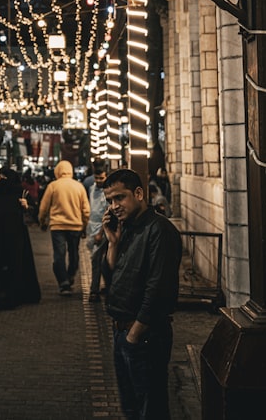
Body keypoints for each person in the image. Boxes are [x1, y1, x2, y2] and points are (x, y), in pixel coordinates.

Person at [102, 168, 182, 420]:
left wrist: (135, 334)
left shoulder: (159, 230)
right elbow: (113, 276)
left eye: (119, 198)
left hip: (145, 336)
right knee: (132, 408)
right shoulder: (126, 228)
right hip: (122, 332)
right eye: (109, 201)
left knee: (151, 409)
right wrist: (113, 243)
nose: (114, 206)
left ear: (138, 193)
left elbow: (158, 287)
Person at [0, 169, 41, 310]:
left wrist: (26, 206)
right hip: (9, 236)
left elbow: (34, 212)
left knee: (12, 265)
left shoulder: (20, 194)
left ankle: (10, 296)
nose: (3, 180)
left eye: (5, 177)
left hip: (11, 236)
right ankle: (6, 297)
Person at [38, 159, 90, 296]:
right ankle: (71, 274)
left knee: (59, 255)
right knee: (74, 253)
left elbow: (43, 207)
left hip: (58, 226)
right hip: (76, 225)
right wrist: (84, 225)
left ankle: (63, 283)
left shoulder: (53, 186)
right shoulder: (79, 187)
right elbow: (86, 209)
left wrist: (42, 221)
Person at [84, 161, 110, 302]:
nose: (99, 181)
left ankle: (94, 290)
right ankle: (108, 285)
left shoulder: (108, 193)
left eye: (101, 178)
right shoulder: (92, 188)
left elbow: (107, 213)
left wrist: (101, 232)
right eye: (97, 178)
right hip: (91, 229)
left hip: (103, 230)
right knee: (102, 261)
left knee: (95, 259)